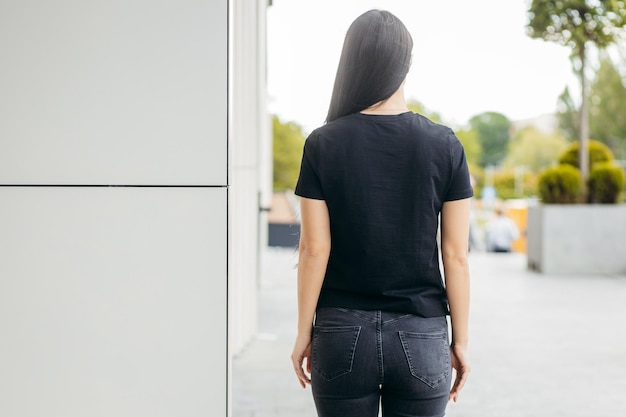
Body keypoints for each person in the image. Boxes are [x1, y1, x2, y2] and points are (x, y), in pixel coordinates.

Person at [290, 10, 472, 417]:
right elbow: (456, 256)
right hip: (421, 334)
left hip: (340, 332)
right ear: (407, 64)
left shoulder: (322, 143)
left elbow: (314, 250)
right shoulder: (445, 145)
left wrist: (304, 332)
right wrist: (460, 340)